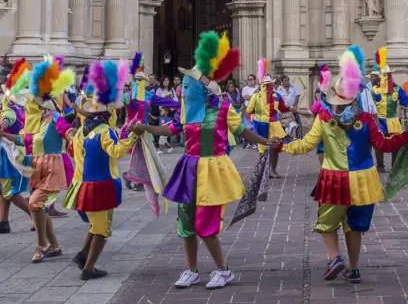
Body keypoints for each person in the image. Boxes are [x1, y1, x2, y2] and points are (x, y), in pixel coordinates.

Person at [135, 31, 281, 289]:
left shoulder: (224, 109)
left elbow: (242, 131)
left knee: (206, 225)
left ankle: (223, 270)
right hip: (189, 168)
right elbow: (171, 130)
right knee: (186, 222)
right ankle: (191, 270)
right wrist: (145, 128)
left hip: (212, 171)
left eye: (190, 82)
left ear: (203, 87)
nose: (185, 86)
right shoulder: (187, 110)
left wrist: (264, 141)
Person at [282, 47, 408, 284]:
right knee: (354, 226)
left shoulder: (324, 118)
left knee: (326, 223)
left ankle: (335, 257)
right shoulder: (365, 118)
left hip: (335, 179)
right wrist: (407, 134)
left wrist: (282, 146)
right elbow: (384, 145)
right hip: (364, 180)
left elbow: (306, 144)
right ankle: (353, 269)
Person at [64, 60, 140, 280]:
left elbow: (74, 153)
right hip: (102, 185)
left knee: (96, 225)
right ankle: (89, 268)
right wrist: (133, 136)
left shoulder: (81, 133)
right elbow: (117, 152)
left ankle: (82, 255)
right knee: (102, 230)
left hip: (86, 185)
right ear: (108, 114)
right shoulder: (105, 131)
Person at [6, 56, 76, 262]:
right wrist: (3, 135)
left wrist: (74, 136)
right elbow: (23, 140)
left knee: (35, 204)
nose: (27, 105)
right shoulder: (35, 124)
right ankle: (54, 245)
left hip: (52, 168)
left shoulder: (54, 118)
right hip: (36, 167)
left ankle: (42, 245)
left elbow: (66, 130)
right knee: (40, 207)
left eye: (31, 102)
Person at [0, 59, 32, 234]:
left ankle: (36, 215)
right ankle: (3, 222)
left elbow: (3, 125)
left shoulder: (10, 111)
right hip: (11, 153)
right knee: (3, 190)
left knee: (9, 192)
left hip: (10, 156)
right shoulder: (18, 109)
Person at [372, 48, 408, 173]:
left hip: (393, 120)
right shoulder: (373, 89)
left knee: (395, 143)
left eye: (388, 75)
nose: (385, 78)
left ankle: (395, 165)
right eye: (383, 75)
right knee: (379, 143)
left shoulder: (397, 89)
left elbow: (407, 103)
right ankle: (380, 165)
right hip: (379, 120)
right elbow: (367, 105)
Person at [246, 59, 288, 179]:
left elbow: (283, 108)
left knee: (272, 148)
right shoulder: (259, 96)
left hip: (272, 125)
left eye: (268, 85)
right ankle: (266, 171)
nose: (268, 88)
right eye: (266, 85)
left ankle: (269, 171)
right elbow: (284, 108)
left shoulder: (275, 96)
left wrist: (291, 109)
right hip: (262, 125)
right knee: (264, 148)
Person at [297, 66, 332, 166]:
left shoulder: (319, 103)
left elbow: (309, 113)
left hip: (322, 126)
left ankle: (324, 167)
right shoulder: (336, 101)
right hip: (333, 126)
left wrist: (297, 111)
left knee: (321, 147)